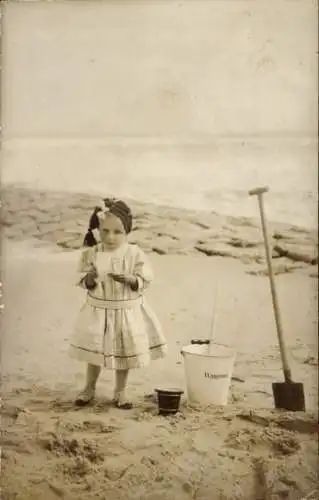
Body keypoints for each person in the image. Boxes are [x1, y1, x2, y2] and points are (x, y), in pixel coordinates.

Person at [69, 198, 167, 409]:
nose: (110, 237)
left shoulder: (134, 253)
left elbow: (146, 276)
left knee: (124, 353)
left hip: (125, 310)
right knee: (95, 352)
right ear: (98, 230)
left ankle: (120, 391)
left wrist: (132, 280)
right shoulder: (92, 253)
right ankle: (89, 387)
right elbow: (83, 281)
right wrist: (91, 277)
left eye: (117, 232)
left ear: (127, 231)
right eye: (105, 231)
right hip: (99, 310)